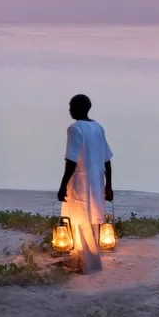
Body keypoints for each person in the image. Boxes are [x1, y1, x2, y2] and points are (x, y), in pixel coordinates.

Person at [56, 93, 113, 273]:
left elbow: (71, 159)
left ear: (79, 108)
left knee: (81, 219)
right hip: (96, 181)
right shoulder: (98, 127)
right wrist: (108, 185)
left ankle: (89, 264)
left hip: (81, 183)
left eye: (71, 106)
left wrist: (63, 185)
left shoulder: (75, 129)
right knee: (89, 219)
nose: (69, 109)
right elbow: (107, 160)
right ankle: (81, 258)